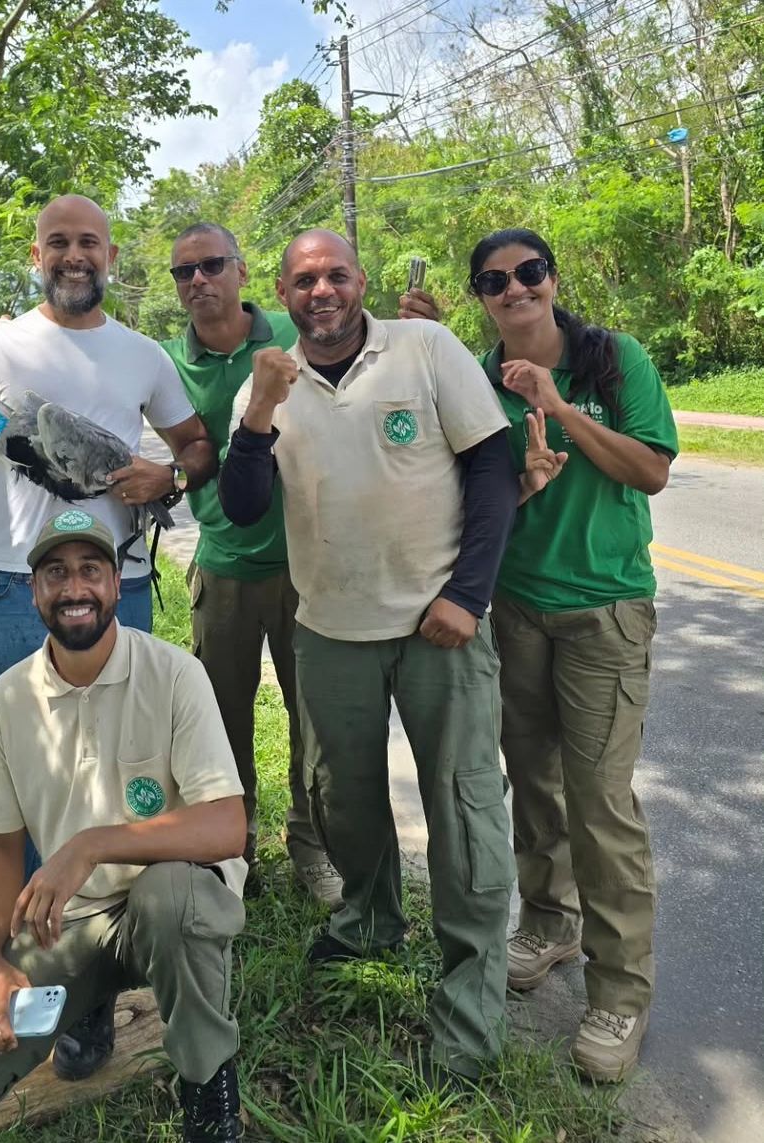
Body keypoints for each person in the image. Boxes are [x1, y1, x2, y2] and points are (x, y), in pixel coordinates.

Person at [0, 194, 217, 1079]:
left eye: (89, 243)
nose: (74, 255)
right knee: (32, 788)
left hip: (120, 579)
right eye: (58, 243)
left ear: (111, 256)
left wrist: (168, 467)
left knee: (127, 775)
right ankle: (40, 977)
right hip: (18, 586)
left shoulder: (143, 354)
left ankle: (111, 971)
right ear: (35, 254)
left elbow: (196, 447)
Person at [219, 229, 521, 1084]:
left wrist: (467, 594)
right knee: (341, 797)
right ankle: (370, 919)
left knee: (463, 811)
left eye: (336, 275)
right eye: (304, 279)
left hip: (439, 628)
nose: (322, 291)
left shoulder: (424, 348)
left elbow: (493, 468)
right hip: (331, 632)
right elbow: (242, 508)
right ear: (280, 291)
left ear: (361, 283)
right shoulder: (268, 381)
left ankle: (469, 1004)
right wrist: (258, 411)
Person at [0, 509, 248, 1142]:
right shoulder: (8, 700)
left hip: (168, 901)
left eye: (91, 570)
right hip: (72, 922)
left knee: (171, 897)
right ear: (33, 591)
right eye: (56, 573)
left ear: (117, 585)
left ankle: (209, 1088)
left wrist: (92, 844)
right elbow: (0, 843)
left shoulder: (174, 674)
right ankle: (87, 1002)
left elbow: (226, 826)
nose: (74, 588)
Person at [463, 228, 677, 1082]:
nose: (514, 289)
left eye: (528, 273)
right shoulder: (478, 384)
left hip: (604, 612)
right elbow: (482, 509)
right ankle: (549, 925)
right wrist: (524, 482)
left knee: (600, 803)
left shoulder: (613, 360)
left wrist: (563, 406)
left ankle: (620, 990)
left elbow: (652, 471)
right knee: (535, 782)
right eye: (493, 280)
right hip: (518, 611)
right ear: (480, 296)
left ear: (552, 280)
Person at [159, 221, 340, 907]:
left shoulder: (294, 340)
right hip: (223, 566)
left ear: (240, 272)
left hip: (307, 566)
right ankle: (231, 848)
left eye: (211, 265)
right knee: (219, 723)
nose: (199, 280)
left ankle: (312, 845)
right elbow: (175, 452)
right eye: (185, 272)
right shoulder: (166, 365)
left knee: (313, 719)